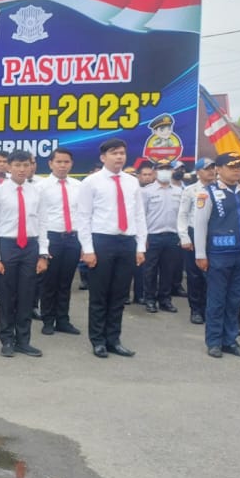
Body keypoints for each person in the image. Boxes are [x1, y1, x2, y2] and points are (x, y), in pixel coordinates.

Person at [76, 138, 146, 358]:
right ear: (103, 157)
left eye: (122, 153)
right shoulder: (91, 182)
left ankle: (114, 339)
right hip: (102, 241)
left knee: (119, 295)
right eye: (114, 153)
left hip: (126, 242)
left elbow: (139, 215)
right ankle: (98, 341)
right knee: (99, 294)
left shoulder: (131, 182)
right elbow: (83, 217)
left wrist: (140, 247)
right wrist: (87, 249)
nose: (119, 157)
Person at [193, 153, 240, 358]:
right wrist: (200, 254)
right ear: (219, 169)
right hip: (218, 254)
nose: (236, 170)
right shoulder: (208, 193)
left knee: (235, 300)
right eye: (231, 166)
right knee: (216, 299)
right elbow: (199, 226)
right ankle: (214, 341)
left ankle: (230, 340)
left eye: (239, 167)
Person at [0, 150, 48, 357]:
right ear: (9, 167)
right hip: (7, 246)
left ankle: (23, 340)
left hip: (30, 247)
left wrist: (43, 254)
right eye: (18, 165)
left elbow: (42, 224)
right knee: (7, 295)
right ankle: (7, 340)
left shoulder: (37, 192)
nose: (22, 169)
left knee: (27, 295)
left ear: (31, 166)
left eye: (26, 165)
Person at [38, 148, 82, 336]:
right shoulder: (41, 186)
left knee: (66, 282)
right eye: (59, 162)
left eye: (66, 162)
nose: (63, 166)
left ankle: (62, 320)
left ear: (71, 164)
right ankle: (48, 319)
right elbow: (37, 217)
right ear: (50, 163)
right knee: (49, 282)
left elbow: (83, 214)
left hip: (72, 238)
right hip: (51, 238)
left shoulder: (78, 186)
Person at [141, 159, 182, 314]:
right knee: (150, 270)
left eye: (168, 168)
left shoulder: (179, 191)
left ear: (172, 171)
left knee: (168, 270)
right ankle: (150, 299)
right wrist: (142, 238)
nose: (165, 171)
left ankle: (165, 299)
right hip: (153, 236)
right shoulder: (147, 191)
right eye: (161, 168)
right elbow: (142, 215)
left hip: (172, 236)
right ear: (155, 171)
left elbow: (181, 216)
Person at [179, 158, 217, 325]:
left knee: (213, 274)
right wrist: (184, 237)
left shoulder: (219, 189)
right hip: (194, 233)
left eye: (212, 168)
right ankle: (196, 310)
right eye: (206, 168)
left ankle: (210, 308)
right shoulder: (190, 190)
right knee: (195, 274)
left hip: (214, 235)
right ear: (198, 172)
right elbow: (183, 214)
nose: (211, 171)